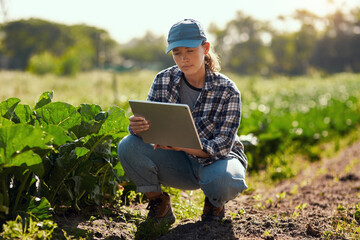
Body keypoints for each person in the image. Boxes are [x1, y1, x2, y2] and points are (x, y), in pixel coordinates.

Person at [117, 19, 248, 224]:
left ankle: (214, 203)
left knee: (225, 180)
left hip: (216, 162)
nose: (183, 59)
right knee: (128, 146)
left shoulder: (228, 90)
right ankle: (159, 204)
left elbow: (221, 148)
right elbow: (150, 129)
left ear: (205, 48)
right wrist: (138, 127)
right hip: (177, 161)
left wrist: (182, 145)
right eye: (177, 53)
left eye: (189, 51)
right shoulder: (163, 80)